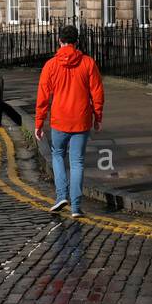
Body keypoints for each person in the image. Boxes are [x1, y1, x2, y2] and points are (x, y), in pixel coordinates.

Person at [34, 24, 104, 218]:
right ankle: (75, 207)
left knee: (57, 155)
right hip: (81, 120)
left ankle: (61, 196)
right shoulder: (88, 63)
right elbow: (97, 93)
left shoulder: (51, 65)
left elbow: (43, 97)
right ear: (77, 42)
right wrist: (97, 116)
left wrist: (39, 123)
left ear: (60, 41)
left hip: (59, 121)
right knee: (77, 162)